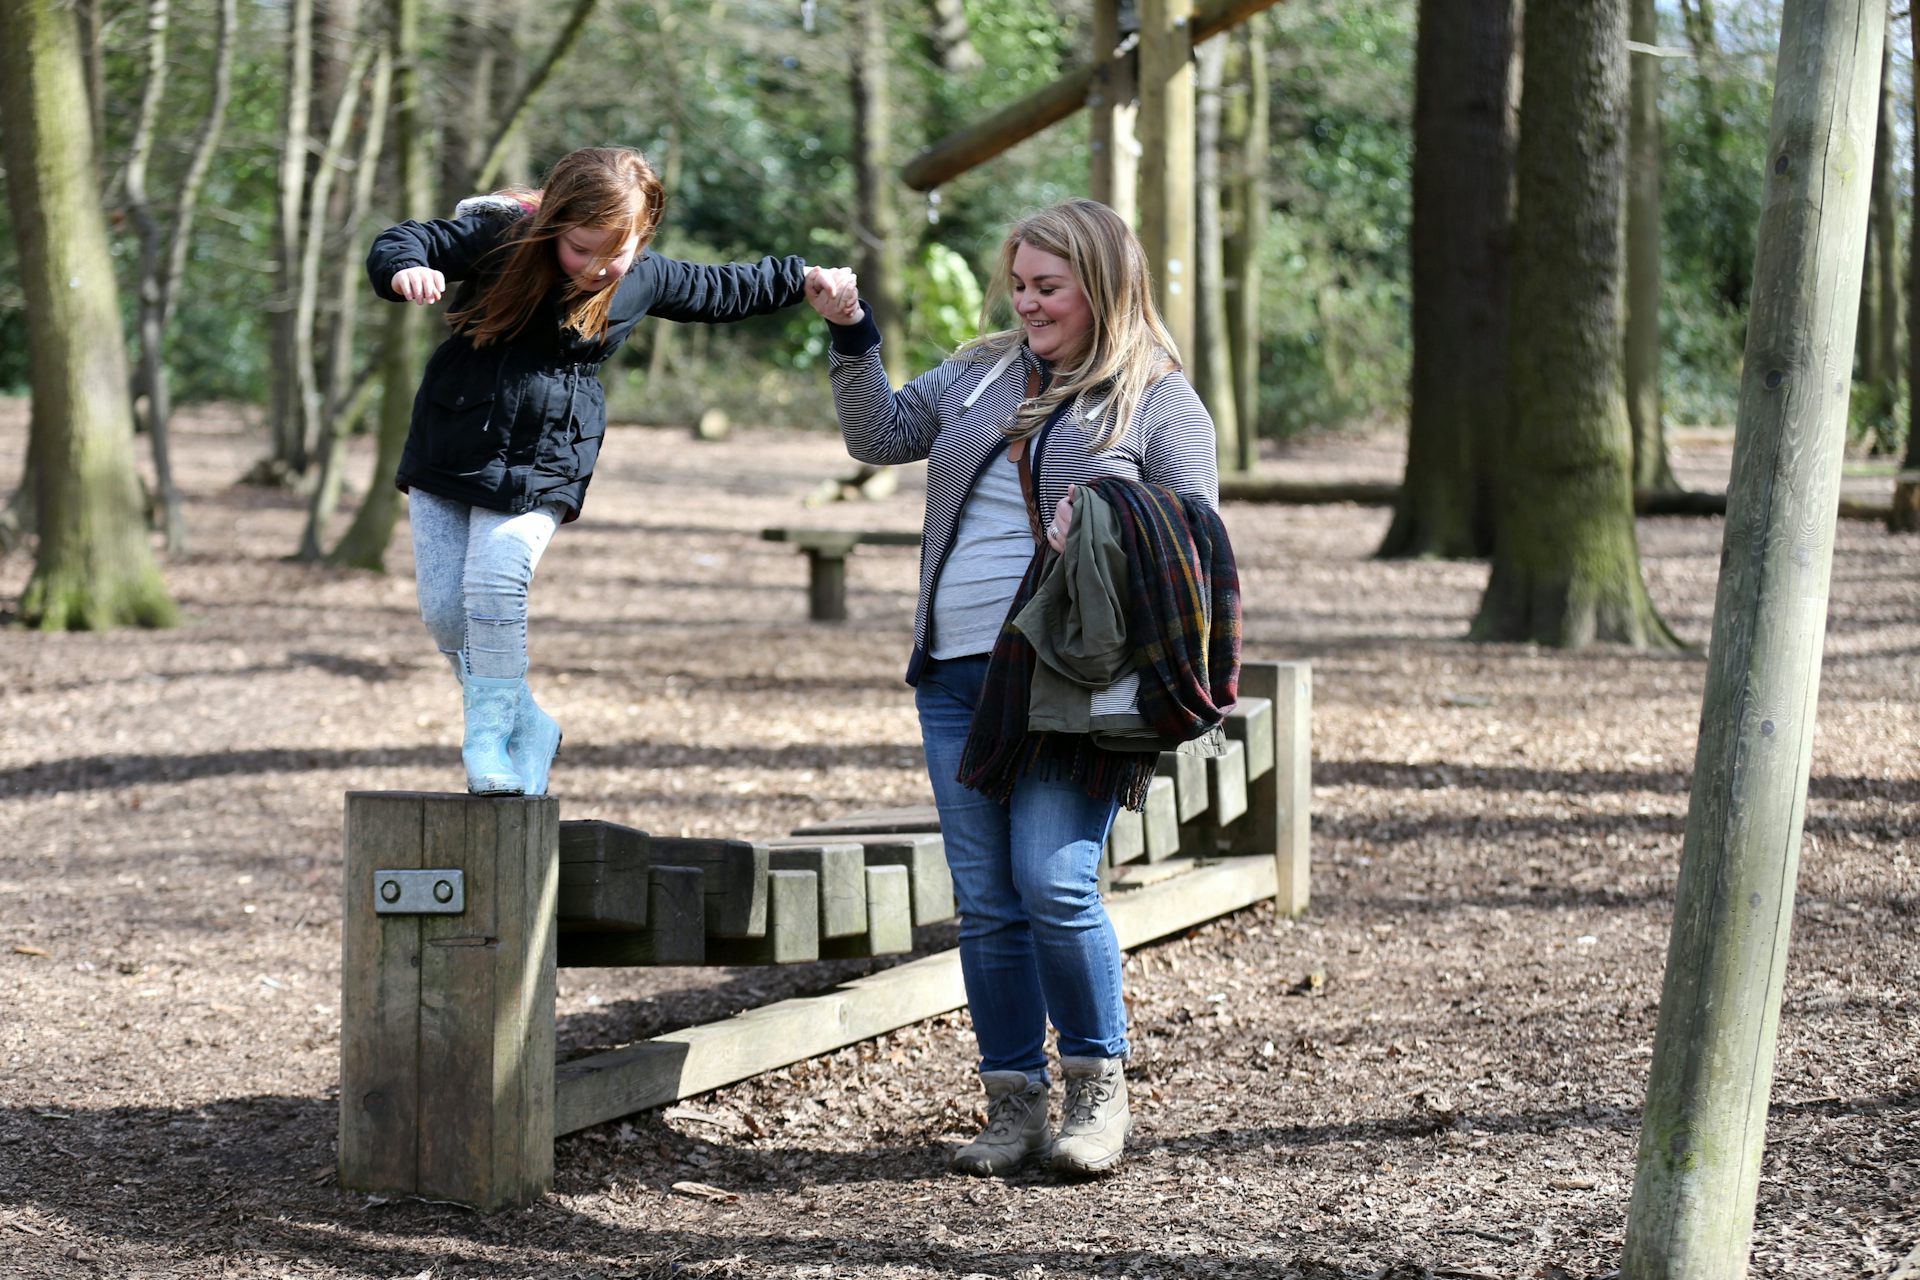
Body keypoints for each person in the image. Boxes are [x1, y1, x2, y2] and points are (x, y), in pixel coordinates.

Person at [807, 198, 1226, 1177]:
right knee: (989, 900)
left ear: (1103, 286)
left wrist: (1118, 518)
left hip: (1067, 683)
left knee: (1053, 879)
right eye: (1021, 282)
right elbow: (882, 432)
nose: (1028, 301)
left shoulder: (1156, 397)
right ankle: (1011, 1103)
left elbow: (1198, 543)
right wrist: (850, 332)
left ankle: (1096, 1088)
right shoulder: (985, 367)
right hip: (956, 672)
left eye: (1050, 286)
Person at [369, 145, 855, 796]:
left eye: (614, 252)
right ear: (554, 225)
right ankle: (528, 723)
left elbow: (723, 288)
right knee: (445, 615)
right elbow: (406, 240)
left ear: (642, 234)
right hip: (451, 438)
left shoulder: (643, 277)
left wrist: (803, 277)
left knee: (495, 584)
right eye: (580, 249)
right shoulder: (499, 239)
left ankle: (485, 737)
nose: (597, 268)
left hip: (548, 453)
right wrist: (407, 268)